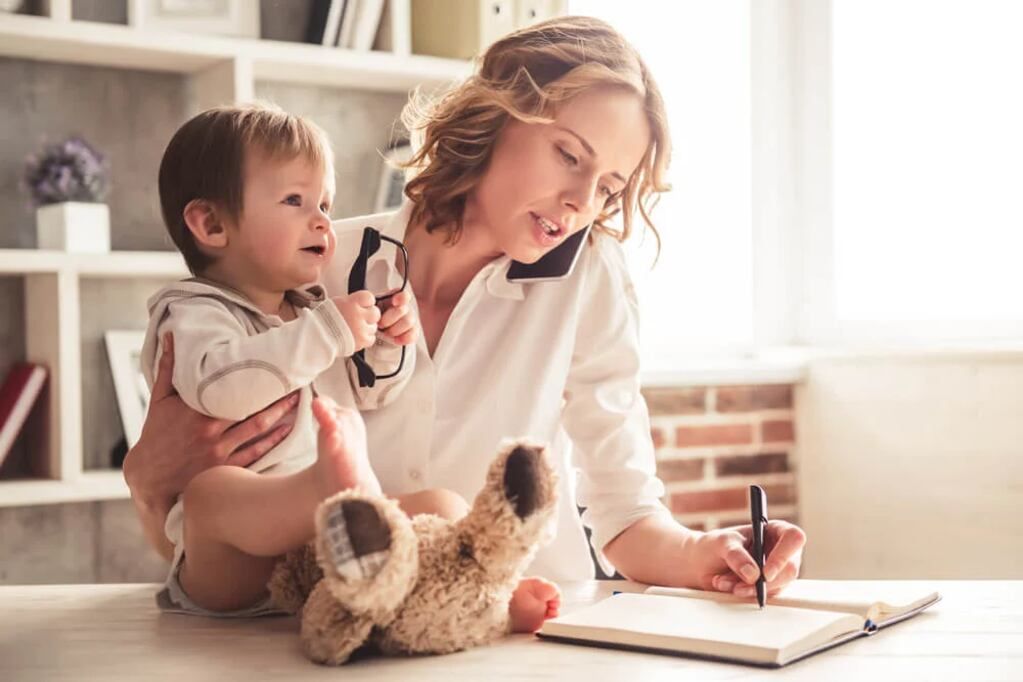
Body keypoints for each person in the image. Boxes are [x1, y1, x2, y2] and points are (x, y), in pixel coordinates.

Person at [125, 16, 805, 608]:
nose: (579, 201)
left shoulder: (589, 280)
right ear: (493, 115)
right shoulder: (311, 269)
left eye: (607, 187)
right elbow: (207, 541)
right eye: (568, 155)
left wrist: (705, 553)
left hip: (529, 631)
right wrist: (148, 484)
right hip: (338, 638)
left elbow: (626, 513)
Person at [141, 103, 559, 628]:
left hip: (323, 551)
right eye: (294, 200)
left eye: (325, 202)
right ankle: (324, 492)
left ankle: (487, 594)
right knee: (211, 495)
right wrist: (328, 333)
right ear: (210, 224)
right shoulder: (194, 309)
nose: (321, 220)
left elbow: (372, 395)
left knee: (441, 508)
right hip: (230, 563)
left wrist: (388, 346)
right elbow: (219, 390)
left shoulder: (309, 308)